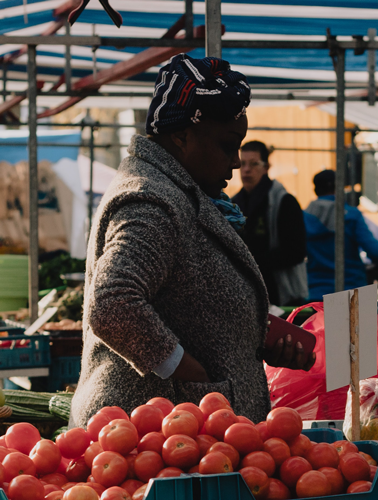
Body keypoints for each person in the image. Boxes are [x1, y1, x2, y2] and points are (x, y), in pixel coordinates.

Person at [72, 55, 313, 426]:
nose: (235, 162)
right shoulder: (151, 200)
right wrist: (190, 374)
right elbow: (113, 304)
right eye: (228, 145)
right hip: (158, 431)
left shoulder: (177, 192)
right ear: (182, 136)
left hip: (182, 428)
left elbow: (186, 300)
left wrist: (252, 336)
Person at [232, 141, 308, 306]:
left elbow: (295, 251)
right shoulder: (233, 205)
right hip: (247, 295)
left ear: (266, 167)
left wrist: (251, 262)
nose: (246, 169)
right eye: (242, 163)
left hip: (282, 295)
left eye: (254, 164)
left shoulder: (284, 202)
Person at [302, 169, 378, 301]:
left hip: (316, 293)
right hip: (352, 293)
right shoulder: (352, 216)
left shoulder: (303, 217)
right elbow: (376, 253)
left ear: (316, 190)